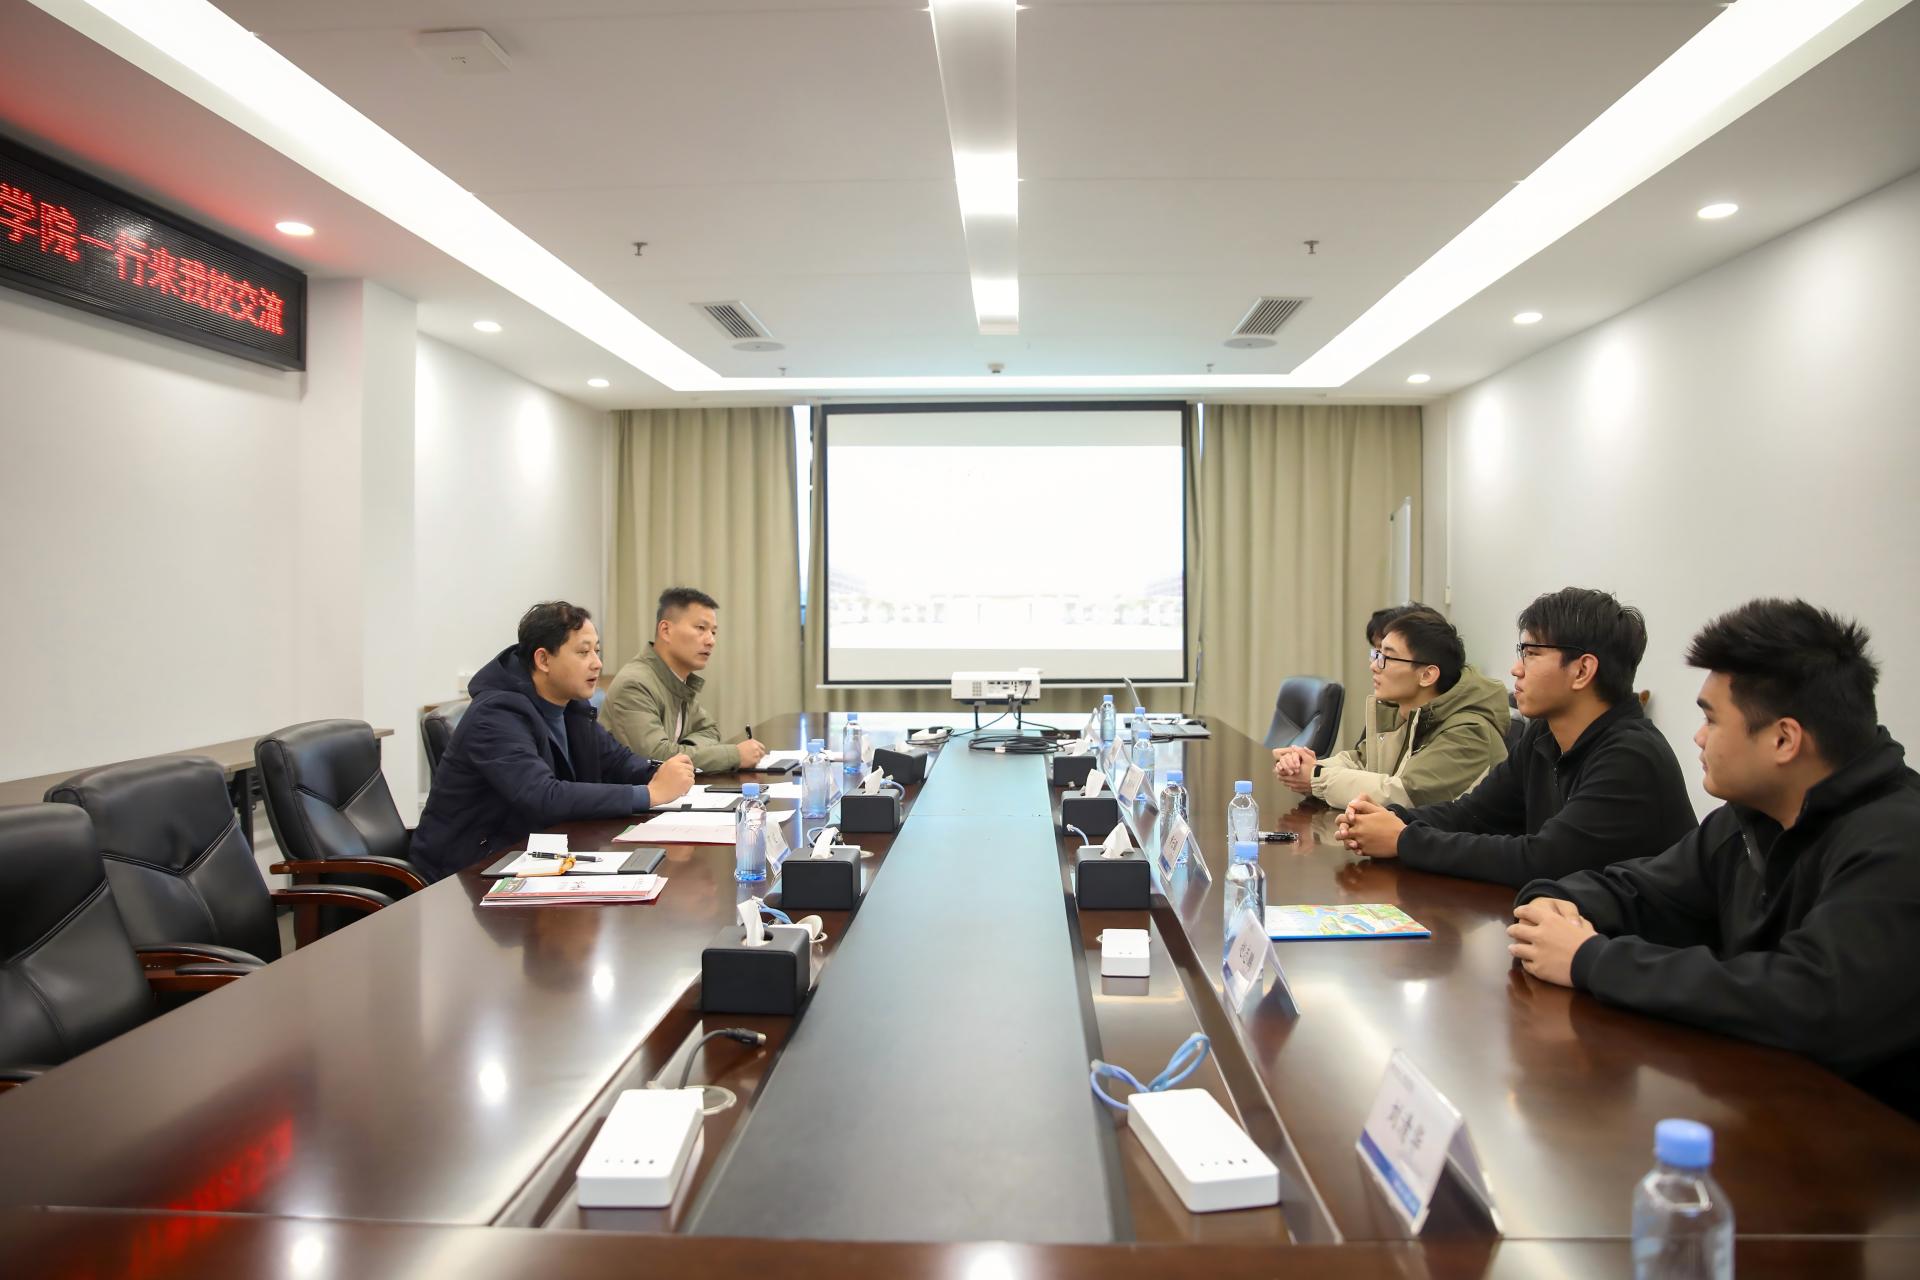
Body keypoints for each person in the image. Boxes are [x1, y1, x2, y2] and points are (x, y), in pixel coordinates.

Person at [1508, 599, 1920, 1118]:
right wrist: (1554, 900)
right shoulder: (1747, 819)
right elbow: (1640, 890)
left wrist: (1591, 960)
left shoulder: (1897, 841)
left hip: (1869, 1142)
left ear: (1784, 739)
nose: (1698, 737)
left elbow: (1811, 1001)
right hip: (1762, 1107)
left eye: (1711, 719)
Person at [1334, 587, 1695, 887]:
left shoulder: (1631, 756)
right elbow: (1472, 814)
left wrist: (1403, 839)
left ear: (1582, 670)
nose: (1516, 669)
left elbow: (1542, 860)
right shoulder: (1544, 735)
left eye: (1532, 654)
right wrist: (1391, 818)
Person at [411, 601, 694, 882]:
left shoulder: (570, 706)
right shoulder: (495, 714)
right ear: (544, 660)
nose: (597, 663)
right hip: (467, 872)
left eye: (596, 651)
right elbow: (542, 795)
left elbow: (616, 760)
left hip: (533, 855)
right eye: (583, 652)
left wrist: (660, 771)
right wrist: (649, 794)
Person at [1273, 606, 1508, 809]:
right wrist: (1308, 767)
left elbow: (1403, 794)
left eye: (1387, 657)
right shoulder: (1403, 711)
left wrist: (1316, 777)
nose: (1374, 666)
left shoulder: (1469, 731)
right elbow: (1361, 761)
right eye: (1377, 654)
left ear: (1427, 675)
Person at [604, 587, 767, 772]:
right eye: (701, 628)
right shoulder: (635, 684)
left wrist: (683, 750)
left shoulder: (675, 679)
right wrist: (734, 755)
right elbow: (656, 758)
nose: (711, 641)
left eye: (713, 632)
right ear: (666, 630)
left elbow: (710, 730)